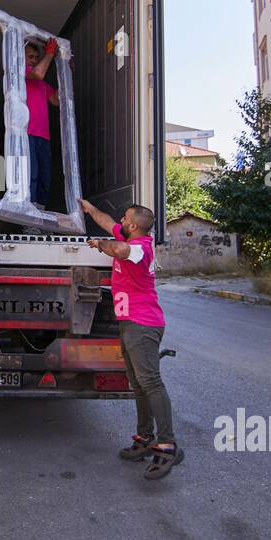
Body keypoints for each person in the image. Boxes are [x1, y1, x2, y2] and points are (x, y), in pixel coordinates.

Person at [80, 198, 182, 479]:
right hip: (130, 325)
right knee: (138, 384)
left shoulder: (139, 248)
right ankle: (145, 438)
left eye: (125, 219)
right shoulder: (131, 236)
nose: (120, 222)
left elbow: (120, 249)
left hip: (142, 325)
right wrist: (89, 210)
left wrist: (99, 245)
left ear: (135, 225)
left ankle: (167, 445)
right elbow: (108, 224)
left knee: (150, 382)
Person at [24, 39, 60, 212]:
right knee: (32, 176)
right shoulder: (21, 72)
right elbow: (38, 73)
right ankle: (30, 218)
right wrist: (50, 54)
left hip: (43, 137)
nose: (34, 60)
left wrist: (65, 73)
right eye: (30, 57)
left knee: (45, 177)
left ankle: (39, 216)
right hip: (27, 133)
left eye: (37, 57)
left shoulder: (42, 84)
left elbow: (56, 100)